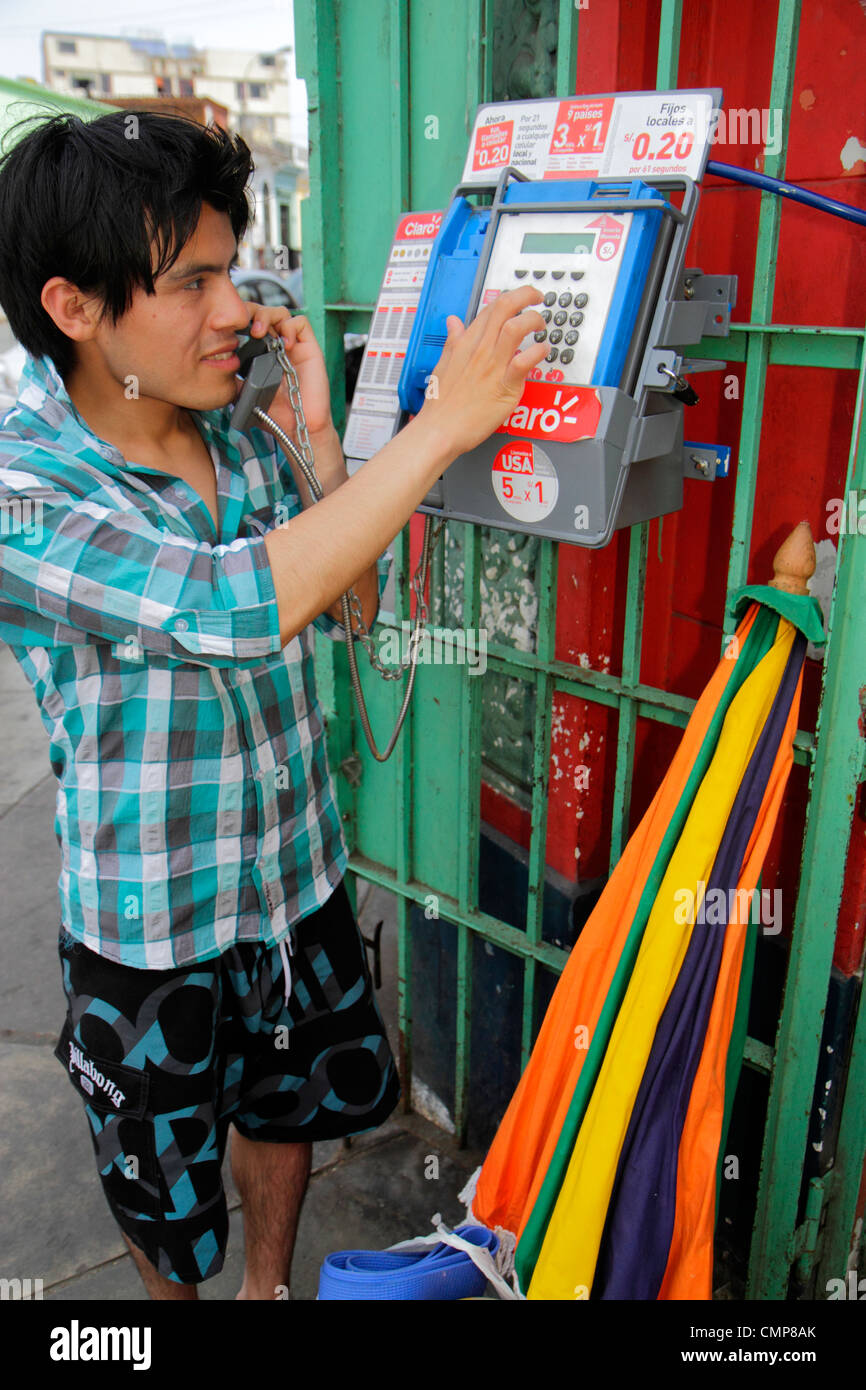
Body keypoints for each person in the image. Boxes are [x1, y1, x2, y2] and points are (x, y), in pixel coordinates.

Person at [0, 109, 546, 1300]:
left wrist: (318, 443)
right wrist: (447, 420)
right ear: (75, 307)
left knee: (284, 1109)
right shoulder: (25, 492)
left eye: (233, 271)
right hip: (153, 935)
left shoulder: (241, 438)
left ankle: (268, 1288)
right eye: (191, 281)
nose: (237, 309)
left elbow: (342, 615)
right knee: (162, 1185)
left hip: (292, 881)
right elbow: (232, 607)